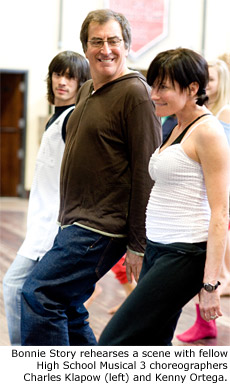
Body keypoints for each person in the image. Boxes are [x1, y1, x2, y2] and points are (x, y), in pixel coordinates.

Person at [20, 9, 161, 346]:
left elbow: (147, 171)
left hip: (102, 226)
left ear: (126, 45)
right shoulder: (86, 92)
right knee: (67, 305)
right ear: (85, 48)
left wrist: (138, 244)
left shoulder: (135, 94)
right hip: (74, 221)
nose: (105, 49)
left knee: (38, 293)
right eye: (96, 41)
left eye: (113, 40)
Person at [99, 47, 230, 346]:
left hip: (183, 255)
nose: (154, 94)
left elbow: (221, 212)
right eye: (153, 84)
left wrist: (210, 285)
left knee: (112, 342)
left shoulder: (208, 132)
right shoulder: (174, 124)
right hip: (158, 249)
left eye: (163, 87)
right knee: (153, 343)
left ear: (193, 88)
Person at [3, 51, 91, 345]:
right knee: (69, 308)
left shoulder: (73, 118)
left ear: (82, 83)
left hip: (55, 228)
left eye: (70, 77)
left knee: (15, 287)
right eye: (57, 74)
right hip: (43, 225)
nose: (62, 82)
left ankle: (23, 360)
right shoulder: (57, 118)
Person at [176, 58, 230, 343]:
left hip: (219, 193)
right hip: (204, 193)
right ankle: (204, 321)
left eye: (211, 78)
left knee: (216, 265)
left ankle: (207, 320)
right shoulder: (204, 115)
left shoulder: (224, 113)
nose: (206, 83)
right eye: (203, 78)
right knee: (208, 262)